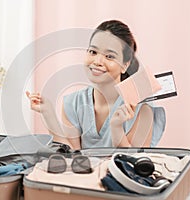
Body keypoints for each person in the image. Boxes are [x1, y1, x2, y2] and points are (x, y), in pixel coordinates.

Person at [26, 20, 165, 150]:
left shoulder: (142, 107)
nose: (97, 61)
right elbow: (72, 157)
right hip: (84, 175)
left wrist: (116, 128)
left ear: (125, 65)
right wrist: (48, 113)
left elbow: (132, 166)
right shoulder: (73, 103)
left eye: (109, 56)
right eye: (93, 52)